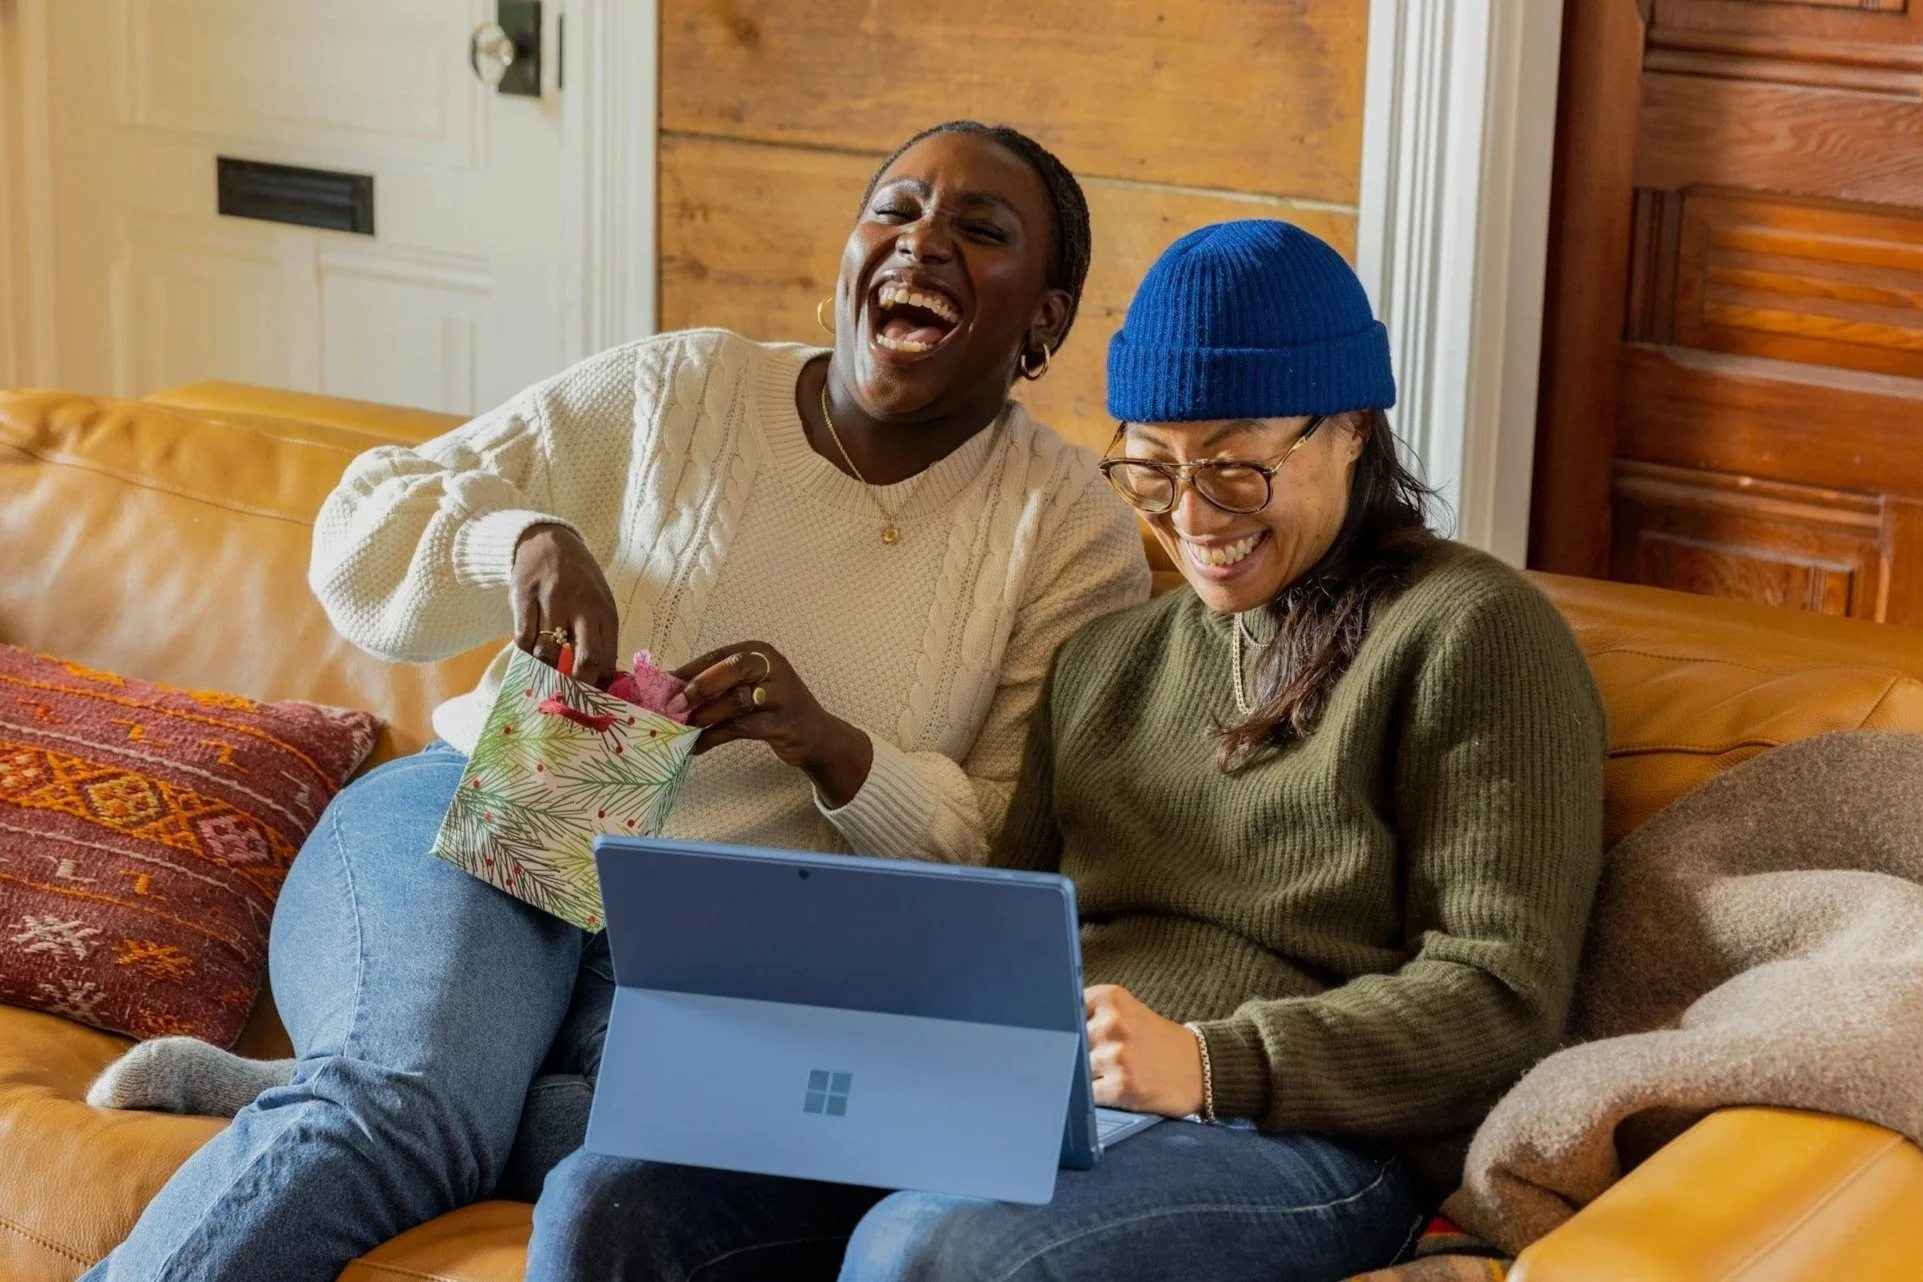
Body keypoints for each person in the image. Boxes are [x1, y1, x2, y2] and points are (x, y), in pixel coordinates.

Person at [80, 121, 1149, 1282]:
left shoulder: (1069, 530)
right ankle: (400, 1079)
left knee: (661, 1157)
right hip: (504, 812)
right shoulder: (684, 389)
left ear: (1043, 319)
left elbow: (1013, 844)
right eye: (895, 210)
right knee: (401, 1113)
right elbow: (360, 523)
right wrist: (521, 542)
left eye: (979, 231)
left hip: (729, 943)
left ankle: (381, 1074)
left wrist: (839, 753)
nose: (923, 242)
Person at [528, 220, 1608, 1282]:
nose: (1190, 517)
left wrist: (1213, 1061)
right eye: (1150, 470)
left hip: (1298, 1135)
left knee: (931, 1250)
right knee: (608, 1196)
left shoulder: (1472, 630)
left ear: (1351, 430)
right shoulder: (1104, 662)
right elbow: (1000, 931)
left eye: (1234, 469)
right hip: (1034, 1101)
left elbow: (1501, 996)